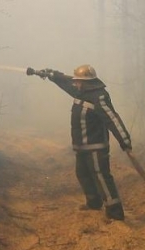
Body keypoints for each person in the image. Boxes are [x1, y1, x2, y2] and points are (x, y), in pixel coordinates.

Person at [27, 64, 131, 221]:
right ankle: (94, 203)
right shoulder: (80, 91)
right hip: (81, 147)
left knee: (102, 177)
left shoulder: (99, 96)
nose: (75, 83)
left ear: (86, 82)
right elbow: (66, 82)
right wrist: (52, 75)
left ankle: (115, 213)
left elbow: (112, 119)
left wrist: (124, 140)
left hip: (96, 147)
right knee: (82, 174)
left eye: (78, 81)